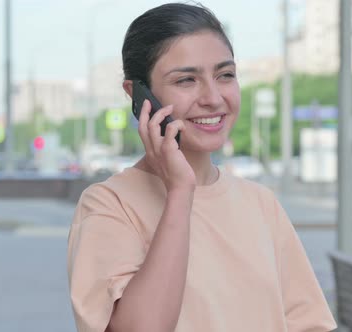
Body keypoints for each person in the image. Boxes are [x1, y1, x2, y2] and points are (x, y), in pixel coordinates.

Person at [67, 3, 337, 332]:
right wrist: (180, 192)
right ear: (137, 94)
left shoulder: (261, 204)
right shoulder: (108, 205)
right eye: (186, 80)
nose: (213, 97)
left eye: (225, 75)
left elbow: (309, 325)